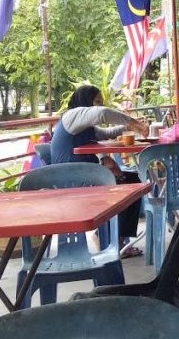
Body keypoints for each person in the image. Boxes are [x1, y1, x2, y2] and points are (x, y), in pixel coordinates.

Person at [50, 85, 148, 256]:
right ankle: (109, 240)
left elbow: (104, 134)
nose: (98, 106)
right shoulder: (72, 116)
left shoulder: (83, 125)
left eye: (100, 102)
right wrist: (131, 121)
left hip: (85, 174)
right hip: (72, 179)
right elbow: (102, 113)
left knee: (132, 180)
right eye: (96, 102)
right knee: (124, 184)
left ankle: (117, 239)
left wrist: (130, 128)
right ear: (84, 100)